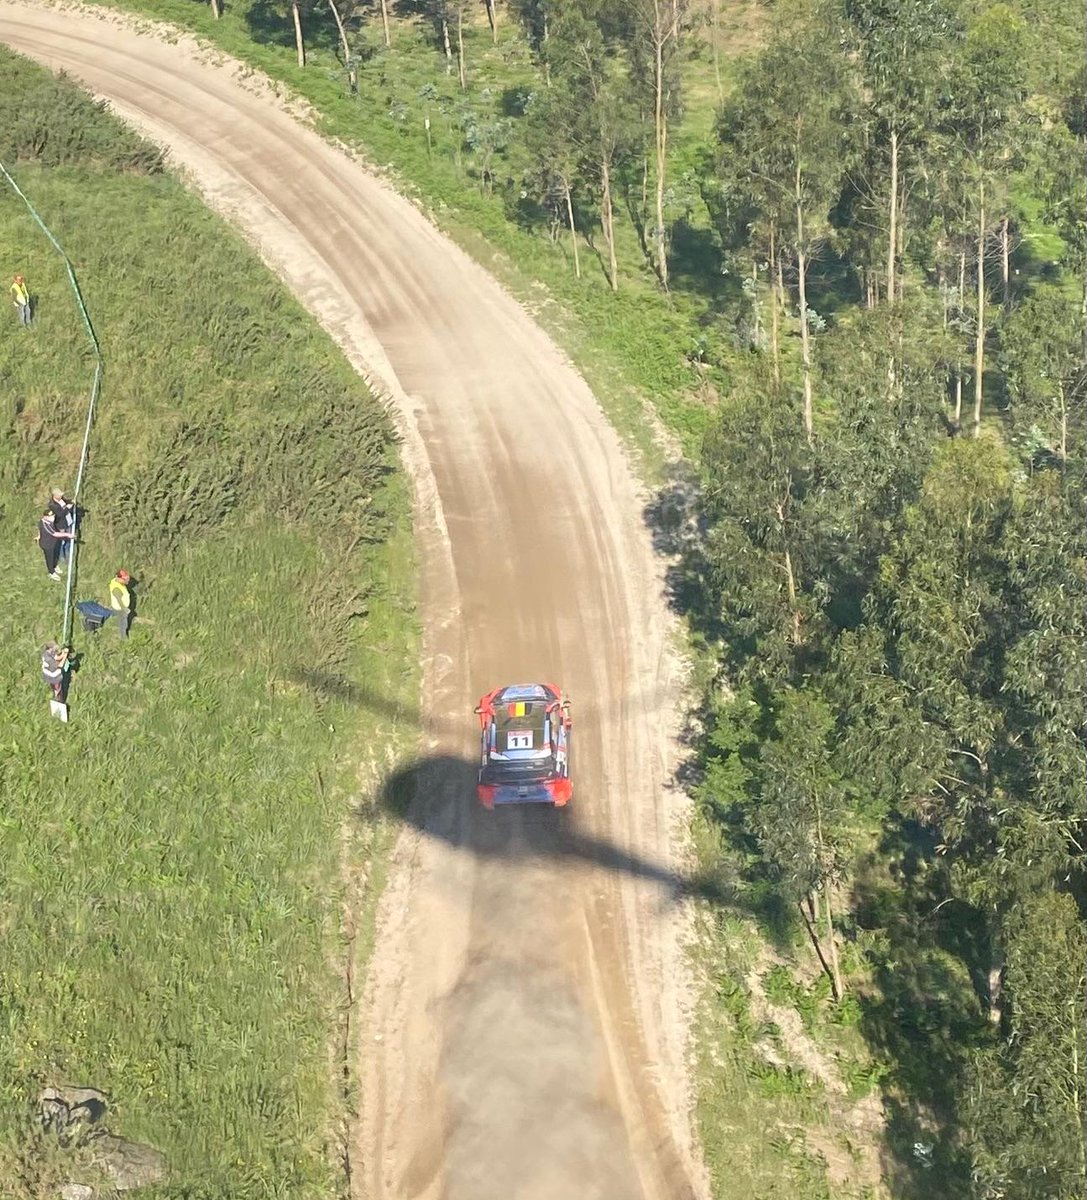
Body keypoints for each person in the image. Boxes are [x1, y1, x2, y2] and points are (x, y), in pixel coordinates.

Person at [37, 509, 73, 580]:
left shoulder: (49, 521)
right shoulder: (45, 525)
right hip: (47, 545)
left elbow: (39, 530)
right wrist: (67, 534)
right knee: (49, 558)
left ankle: (55, 566)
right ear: (45, 517)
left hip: (53, 542)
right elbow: (54, 533)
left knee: (55, 555)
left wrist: (39, 535)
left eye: (53, 516)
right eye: (51, 516)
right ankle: (51, 572)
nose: (53, 517)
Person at [48, 488, 76, 562]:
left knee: (69, 538)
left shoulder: (61, 499)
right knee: (62, 541)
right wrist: (67, 508)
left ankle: (68, 552)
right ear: (54, 495)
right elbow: (60, 515)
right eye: (59, 495)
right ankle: (62, 556)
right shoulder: (52, 505)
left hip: (68, 521)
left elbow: (66, 502)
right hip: (61, 525)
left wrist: (71, 501)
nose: (61, 496)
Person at [109, 569, 132, 638]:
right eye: (124, 579)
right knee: (123, 623)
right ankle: (123, 637)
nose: (126, 581)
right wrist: (124, 608)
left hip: (119, 607)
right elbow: (119, 599)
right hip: (120, 608)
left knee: (120, 620)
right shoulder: (116, 588)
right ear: (118, 578)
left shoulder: (116, 581)